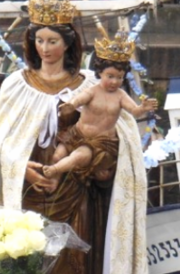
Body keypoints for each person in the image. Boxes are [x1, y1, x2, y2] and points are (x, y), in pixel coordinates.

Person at [0, 0, 152, 274]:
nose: (45, 49)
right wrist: (22, 168)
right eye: (39, 40)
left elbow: (121, 149)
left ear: (69, 44)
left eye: (53, 41)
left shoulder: (92, 87)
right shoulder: (15, 86)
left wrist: (91, 164)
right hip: (30, 203)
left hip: (78, 201)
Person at [38, 34, 157, 181]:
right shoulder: (93, 91)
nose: (114, 82)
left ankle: (55, 170)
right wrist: (71, 105)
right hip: (76, 134)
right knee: (58, 155)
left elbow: (135, 112)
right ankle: (52, 177)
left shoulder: (121, 96)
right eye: (110, 76)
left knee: (79, 156)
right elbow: (79, 100)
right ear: (100, 73)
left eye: (119, 77)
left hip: (100, 144)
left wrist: (143, 107)